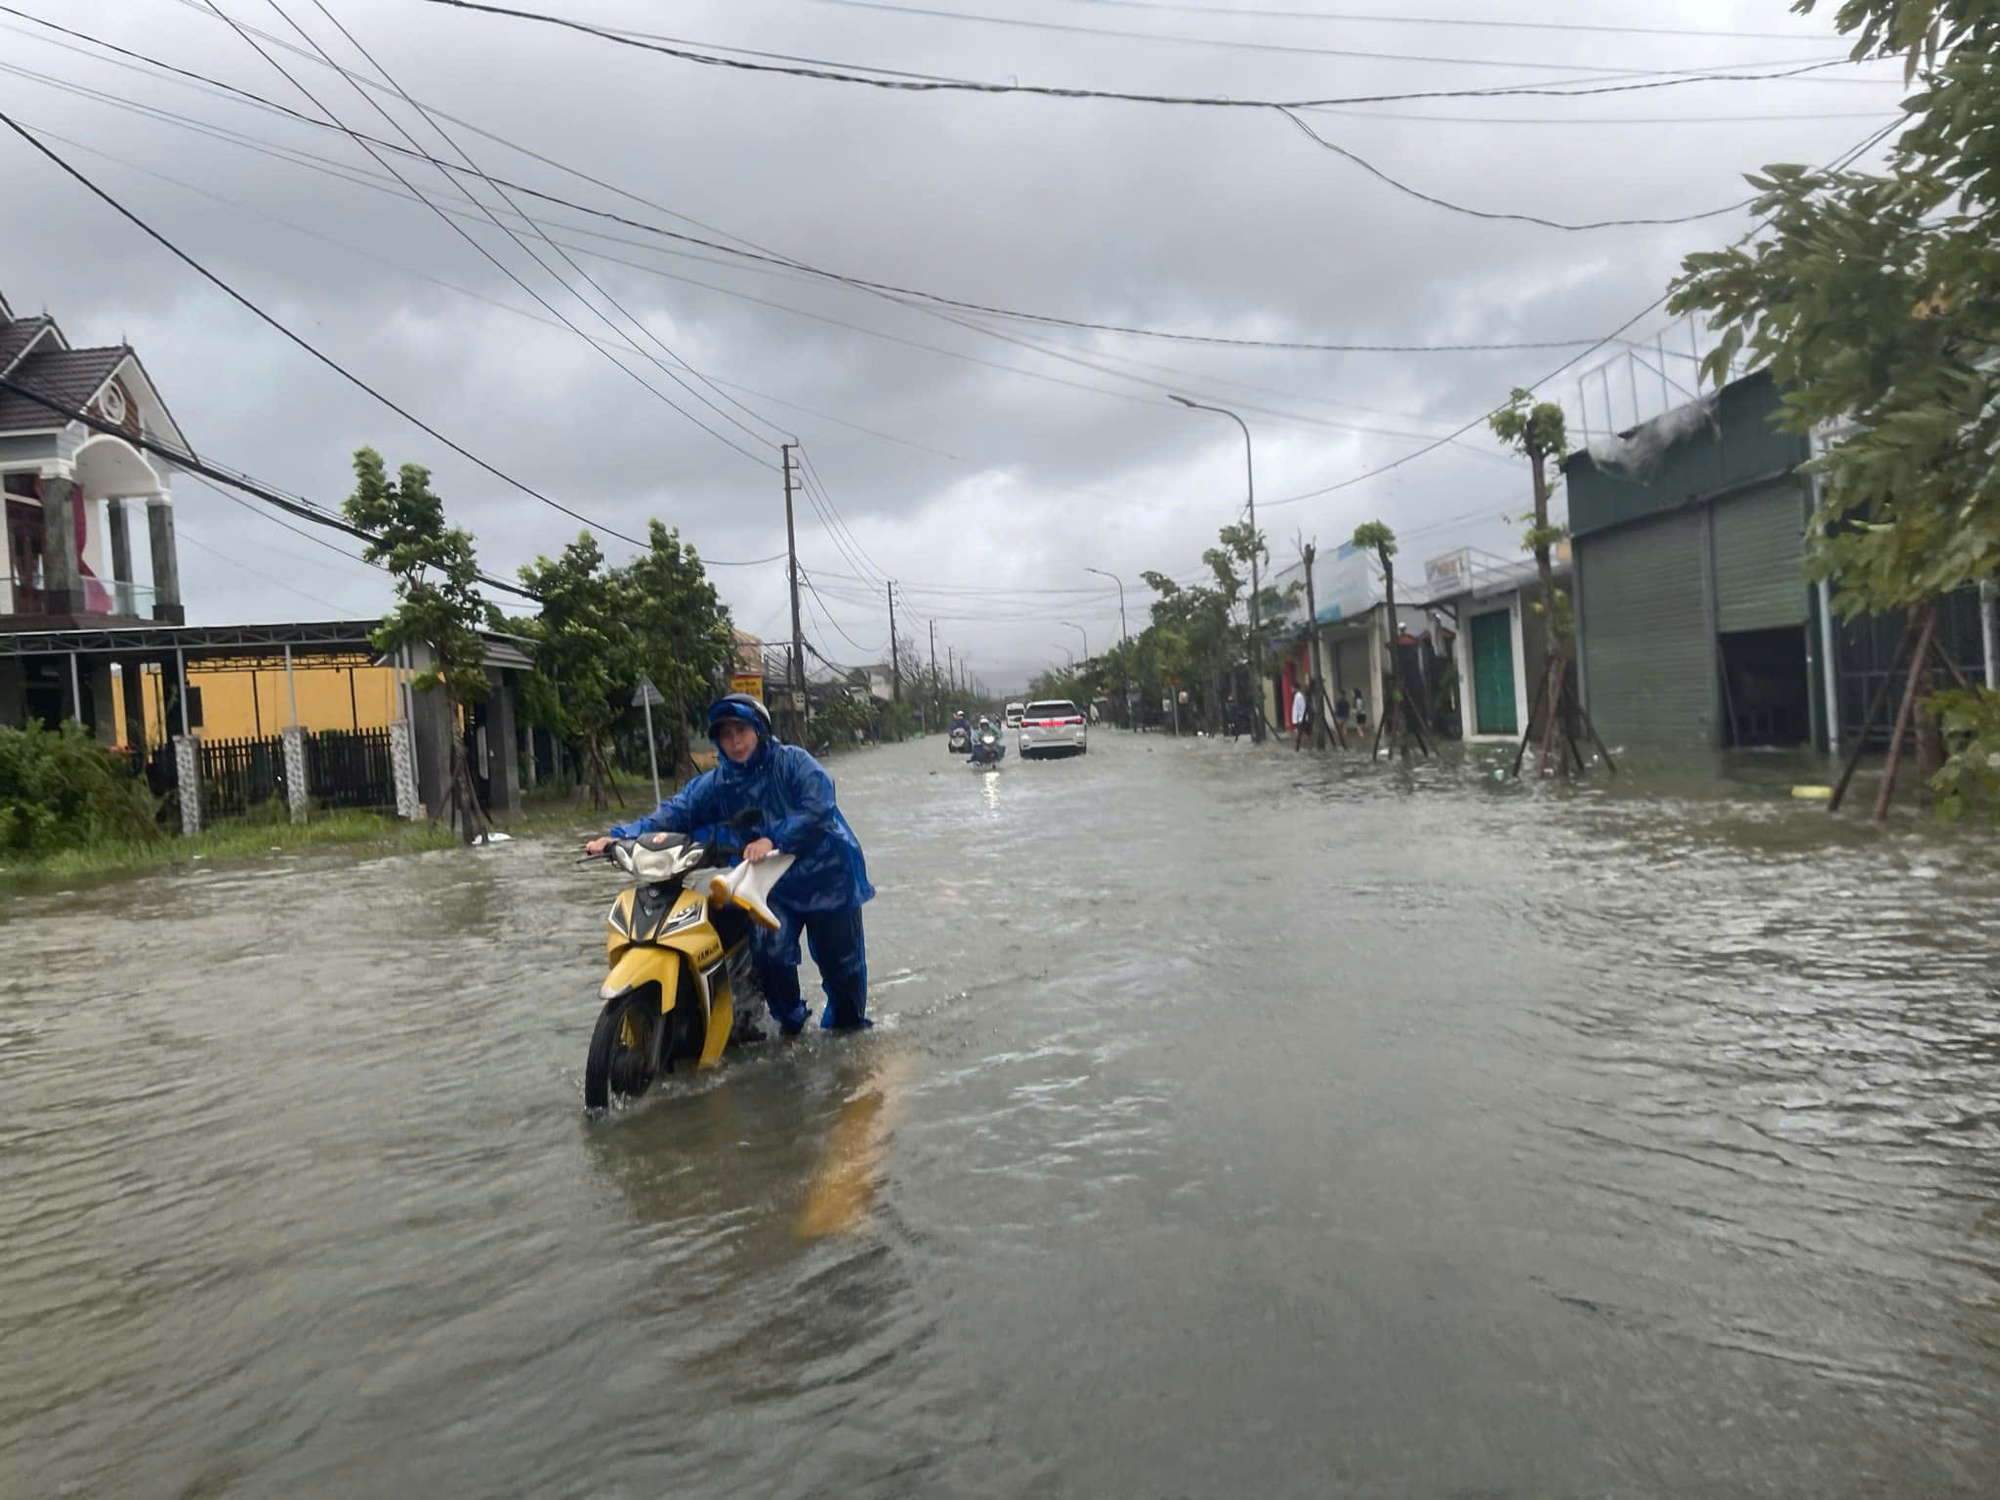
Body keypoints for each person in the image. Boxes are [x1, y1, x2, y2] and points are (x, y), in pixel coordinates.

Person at [584, 693, 874, 1034]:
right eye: (726, 735)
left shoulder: (794, 762)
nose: (735, 742)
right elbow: (675, 813)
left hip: (828, 878)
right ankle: (792, 1024)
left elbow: (819, 808)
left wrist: (774, 839)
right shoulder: (718, 783)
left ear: (759, 730)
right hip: (768, 887)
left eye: (742, 730)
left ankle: (848, 1032)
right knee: (771, 957)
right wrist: (619, 838)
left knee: (843, 969)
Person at [1291, 682, 1311, 751]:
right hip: (1303, 718)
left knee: (1302, 733)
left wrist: (1296, 720)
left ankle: (1303, 746)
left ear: (1295, 688)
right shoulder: (1298, 696)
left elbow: (1298, 708)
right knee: (1305, 733)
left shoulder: (1298, 696)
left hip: (1301, 718)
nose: (1291, 689)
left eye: (1292, 688)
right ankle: (1306, 746)